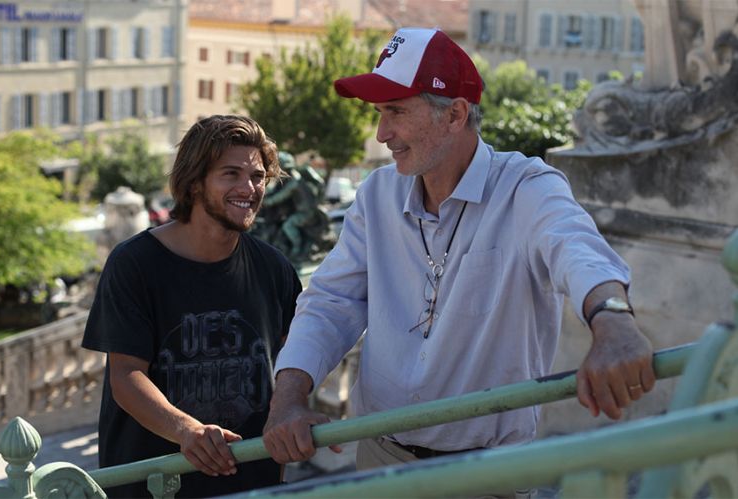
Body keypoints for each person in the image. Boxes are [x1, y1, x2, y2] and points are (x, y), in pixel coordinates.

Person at [262, 27, 656, 478]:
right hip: (378, 460)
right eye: (378, 113)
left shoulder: (526, 186)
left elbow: (576, 246)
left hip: (489, 472)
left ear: (454, 114)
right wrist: (288, 396)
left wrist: (613, 321)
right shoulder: (376, 195)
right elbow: (331, 303)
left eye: (395, 111)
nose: (381, 133)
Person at [82, 115, 302, 498]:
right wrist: (189, 431)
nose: (248, 188)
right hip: (154, 486)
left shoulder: (274, 267)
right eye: (230, 174)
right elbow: (126, 377)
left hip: (250, 484)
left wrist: (290, 417)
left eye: (257, 176)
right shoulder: (134, 264)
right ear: (195, 182)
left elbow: (291, 364)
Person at [262, 152, 329, 260]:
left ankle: (296, 248)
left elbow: (280, 196)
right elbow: (275, 192)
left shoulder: (294, 181)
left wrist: (265, 202)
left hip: (306, 213)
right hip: (299, 211)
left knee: (288, 225)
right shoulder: (291, 178)